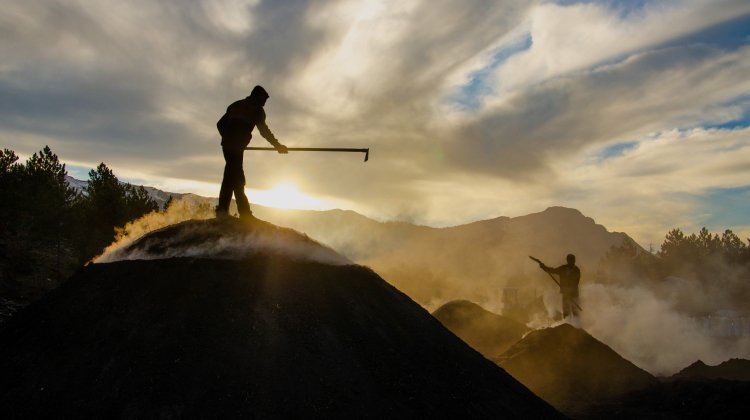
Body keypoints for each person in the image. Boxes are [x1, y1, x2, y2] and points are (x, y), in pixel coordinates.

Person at [216, 85, 287, 219]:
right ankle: (242, 214)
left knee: (231, 176)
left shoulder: (235, 105)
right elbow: (264, 132)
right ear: (257, 97)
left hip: (227, 146)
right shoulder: (257, 111)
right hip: (235, 147)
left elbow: (220, 124)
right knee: (237, 178)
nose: (264, 104)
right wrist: (277, 146)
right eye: (263, 100)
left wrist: (227, 137)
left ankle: (224, 211)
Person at [538, 254, 581, 319]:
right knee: (566, 311)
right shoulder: (563, 268)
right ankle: (567, 325)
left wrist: (568, 290)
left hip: (573, 294)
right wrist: (544, 267)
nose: (572, 262)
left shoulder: (576, 270)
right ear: (568, 260)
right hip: (565, 293)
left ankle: (577, 326)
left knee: (575, 311)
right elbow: (552, 270)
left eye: (573, 261)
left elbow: (575, 282)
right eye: (570, 260)